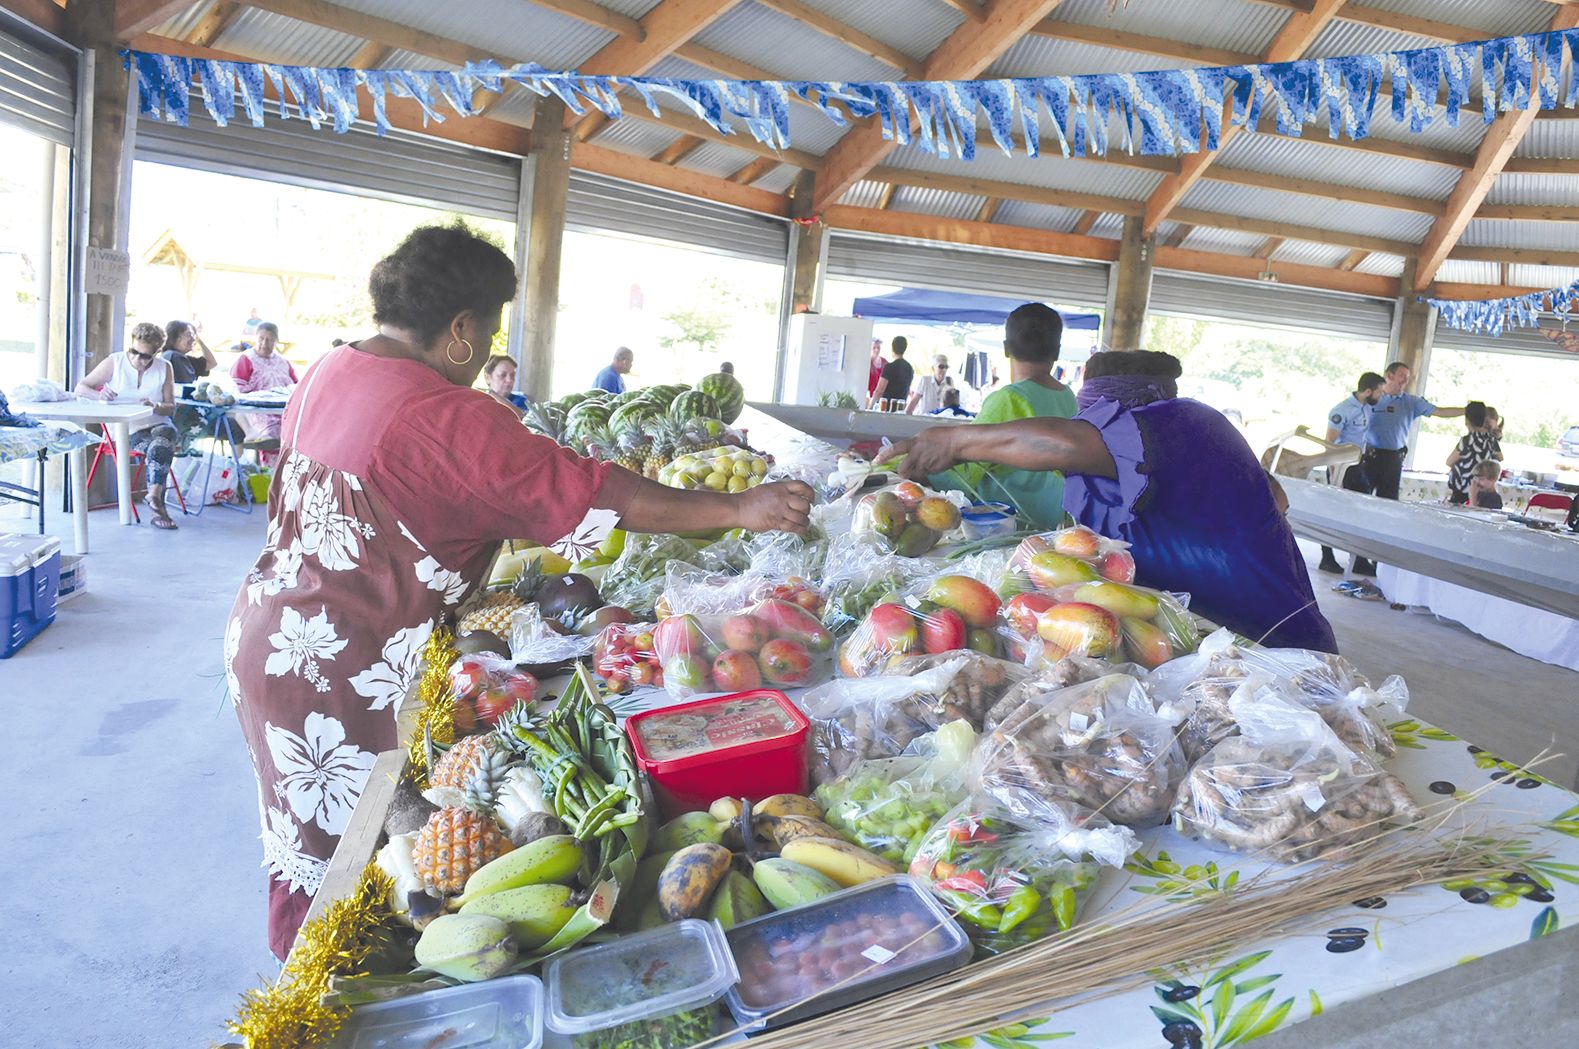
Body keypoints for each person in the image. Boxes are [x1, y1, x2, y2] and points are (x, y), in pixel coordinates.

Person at [225, 224, 814, 960]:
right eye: (493, 328)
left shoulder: (333, 365)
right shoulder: (446, 413)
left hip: (272, 636)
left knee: (318, 843)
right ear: (463, 329)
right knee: (349, 871)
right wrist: (735, 507)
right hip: (340, 670)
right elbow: (591, 490)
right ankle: (307, 1013)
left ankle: (304, 984)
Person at [879, 350, 1336, 652]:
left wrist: (954, 441)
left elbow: (1066, 443)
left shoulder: (1180, 423)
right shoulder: (1167, 452)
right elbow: (1274, 497)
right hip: (1216, 650)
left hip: (1278, 652)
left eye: (1097, 416)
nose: (1090, 424)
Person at [934, 303, 1077, 529]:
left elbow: (962, 470)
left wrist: (913, 468)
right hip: (1051, 529)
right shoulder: (1068, 397)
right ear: (1057, 351)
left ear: (1006, 348)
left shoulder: (1009, 399)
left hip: (1003, 530)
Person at [1351, 361, 1466, 574]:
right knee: (1363, 508)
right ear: (1389, 376)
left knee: (1388, 511)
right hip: (1369, 458)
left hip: (1393, 461)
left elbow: (1440, 411)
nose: (1406, 380)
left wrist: (1467, 410)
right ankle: (1358, 559)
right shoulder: (1374, 398)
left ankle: (1380, 561)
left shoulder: (1411, 402)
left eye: (1408, 377)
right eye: (1402, 376)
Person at [74, 322, 182, 530]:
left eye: (145, 356)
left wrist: (156, 405)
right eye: (134, 351)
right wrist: (99, 395)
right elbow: (81, 387)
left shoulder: (164, 368)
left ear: (156, 353)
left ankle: (153, 496)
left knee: (165, 434)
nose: (137, 359)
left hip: (156, 422)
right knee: (161, 445)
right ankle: (155, 500)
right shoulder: (115, 362)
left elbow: (170, 408)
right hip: (126, 429)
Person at [1316, 371, 1384, 574]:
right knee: (1334, 512)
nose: (1380, 397)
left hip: (1357, 464)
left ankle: (1358, 559)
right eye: (1379, 392)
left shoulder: (1366, 407)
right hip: (1341, 466)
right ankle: (1327, 557)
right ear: (1368, 391)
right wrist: (1334, 469)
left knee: (1360, 513)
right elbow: (1330, 442)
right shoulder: (1342, 410)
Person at [232, 321, 299, 448]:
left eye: (269, 340)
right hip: (256, 408)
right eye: (261, 339)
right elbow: (238, 390)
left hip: (283, 407)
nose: (264, 344)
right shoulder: (246, 359)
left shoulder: (283, 362)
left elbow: (296, 386)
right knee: (271, 432)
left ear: (276, 341)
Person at [1446, 401, 1502, 506]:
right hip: (1483, 490)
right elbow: (1500, 457)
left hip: (1463, 490)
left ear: (1467, 420)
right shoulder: (1491, 440)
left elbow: (1449, 462)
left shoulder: (1467, 441)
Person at [162, 320, 217, 384]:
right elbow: (185, 384)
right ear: (176, 338)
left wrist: (199, 340)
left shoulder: (183, 359)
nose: (193, 339)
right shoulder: (175, 357)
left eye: (193, 335)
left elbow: (212, 363)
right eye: (189, 335)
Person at [868, 336, 913, 412]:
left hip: (886, 408)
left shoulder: (889, 367)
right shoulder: (909, 368)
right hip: (900, 408)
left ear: (893, 348)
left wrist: (870, 407)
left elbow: (879, 390)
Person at [481, 354, 523, 418]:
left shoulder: (521, 401)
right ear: (487, 378)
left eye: (512, 375)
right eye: (502, 375)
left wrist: (491, 393)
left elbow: (523, 418)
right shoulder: (480, 401)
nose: (509, 380)